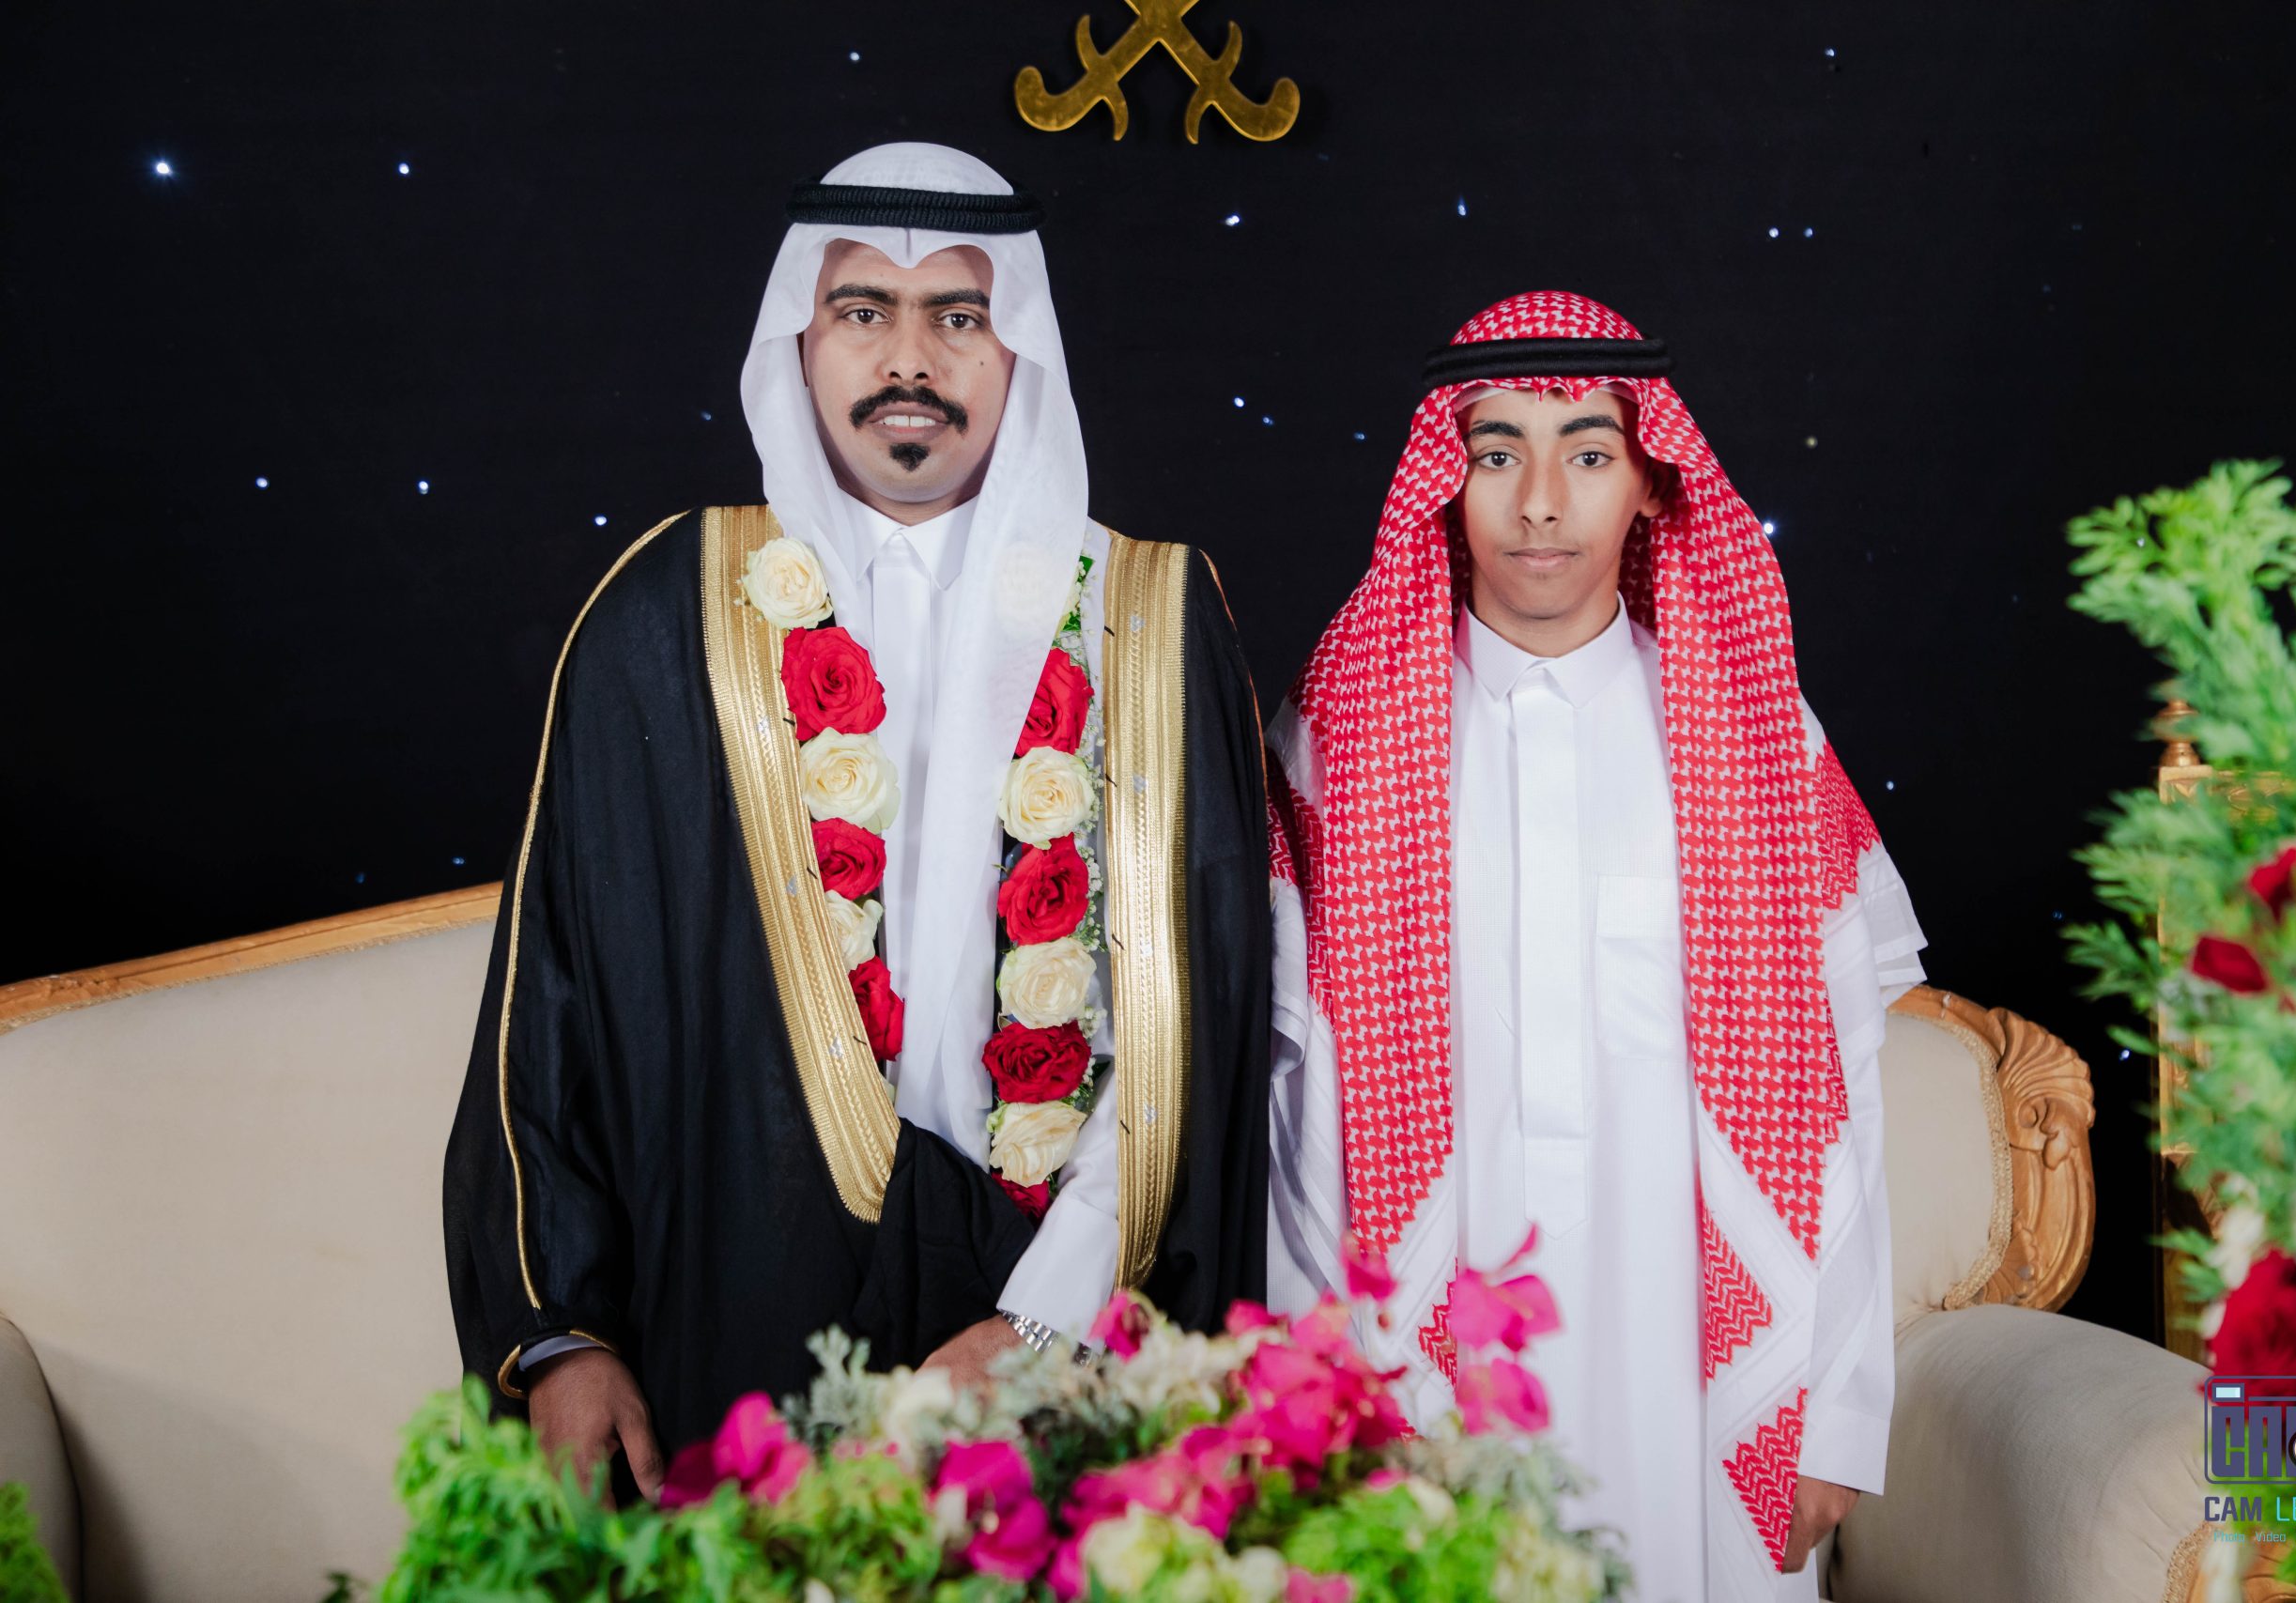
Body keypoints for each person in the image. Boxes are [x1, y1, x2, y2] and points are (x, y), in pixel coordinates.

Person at [443, 142, 1272, 1503]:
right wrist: (562, 1334)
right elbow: (553, 1004)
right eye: (863, 311)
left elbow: (1201, 1028)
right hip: (735, 1317)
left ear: (1018, 346)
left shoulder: (1150, 621)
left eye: (958, 315)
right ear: (801, 339)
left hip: (1057, 1332)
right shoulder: (664, 617)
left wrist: (1049, 1322)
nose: (910, 361)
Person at [1262, 291, 1926, 1601]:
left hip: (1696, 1371)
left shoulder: (1754, 740)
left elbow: (1840, 1092)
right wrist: (1316, 1400)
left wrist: (1836, 1417)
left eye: (1587, 452)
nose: (1540, 504)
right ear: (1445, 486)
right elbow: (1291, 1113)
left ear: (1650, 484)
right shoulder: (1340, 739)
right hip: (1425, 1361)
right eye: (1496, 453)